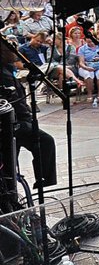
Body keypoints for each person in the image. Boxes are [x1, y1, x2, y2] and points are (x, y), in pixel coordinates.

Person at [0, 43, 57, 190]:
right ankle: (43, 178)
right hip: (13, 123)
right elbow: (13, 103)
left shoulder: (7, 70)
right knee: (45, 141)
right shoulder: (3, 74)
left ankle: (11, 188)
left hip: (16, 121)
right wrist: (27, 119)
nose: (15, 52)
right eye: (11, 49)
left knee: (10, 161)